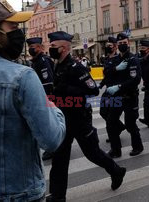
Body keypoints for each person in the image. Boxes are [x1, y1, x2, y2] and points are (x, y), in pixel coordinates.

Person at [0, 1, 66, 201]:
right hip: (17, 194)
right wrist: (55, 110)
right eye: (14, 28)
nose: (20, 34)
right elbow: (51, 139)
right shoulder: (21, 76)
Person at [46, 31, 126, 202]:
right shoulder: (57, 65)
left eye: (53, 46)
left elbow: (93, 90)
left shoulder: (77, 68)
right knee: (59, 158)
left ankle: (116, 171)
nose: (50, 49)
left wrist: (67, 90)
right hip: (63, 119)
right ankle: (58, 195)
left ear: (64, 48)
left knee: (93, 154)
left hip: (80, 119)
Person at [100, 33, 144, 157]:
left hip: (129, 96)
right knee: (111, 122)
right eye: (120, 44)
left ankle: (138, 146)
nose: (122, 45)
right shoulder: (116, 60)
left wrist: (119, 86)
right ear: (117, 45)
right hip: (117, 97)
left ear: (128, 43)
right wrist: (116, 69)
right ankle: (116, 150)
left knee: (130, 124)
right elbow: (107, 74)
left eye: (124, 43)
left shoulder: (133, 59)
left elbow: (135, 80)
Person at [26, 37, 55, 161]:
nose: (30, 49)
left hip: (46, 96)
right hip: (41, 96)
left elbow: (48, 82)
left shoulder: (43, 61)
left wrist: (45, 100)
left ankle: (52, 148)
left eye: (32, 47)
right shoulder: (36, 61)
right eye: (29, 47)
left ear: (39, 47)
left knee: (47, 123)